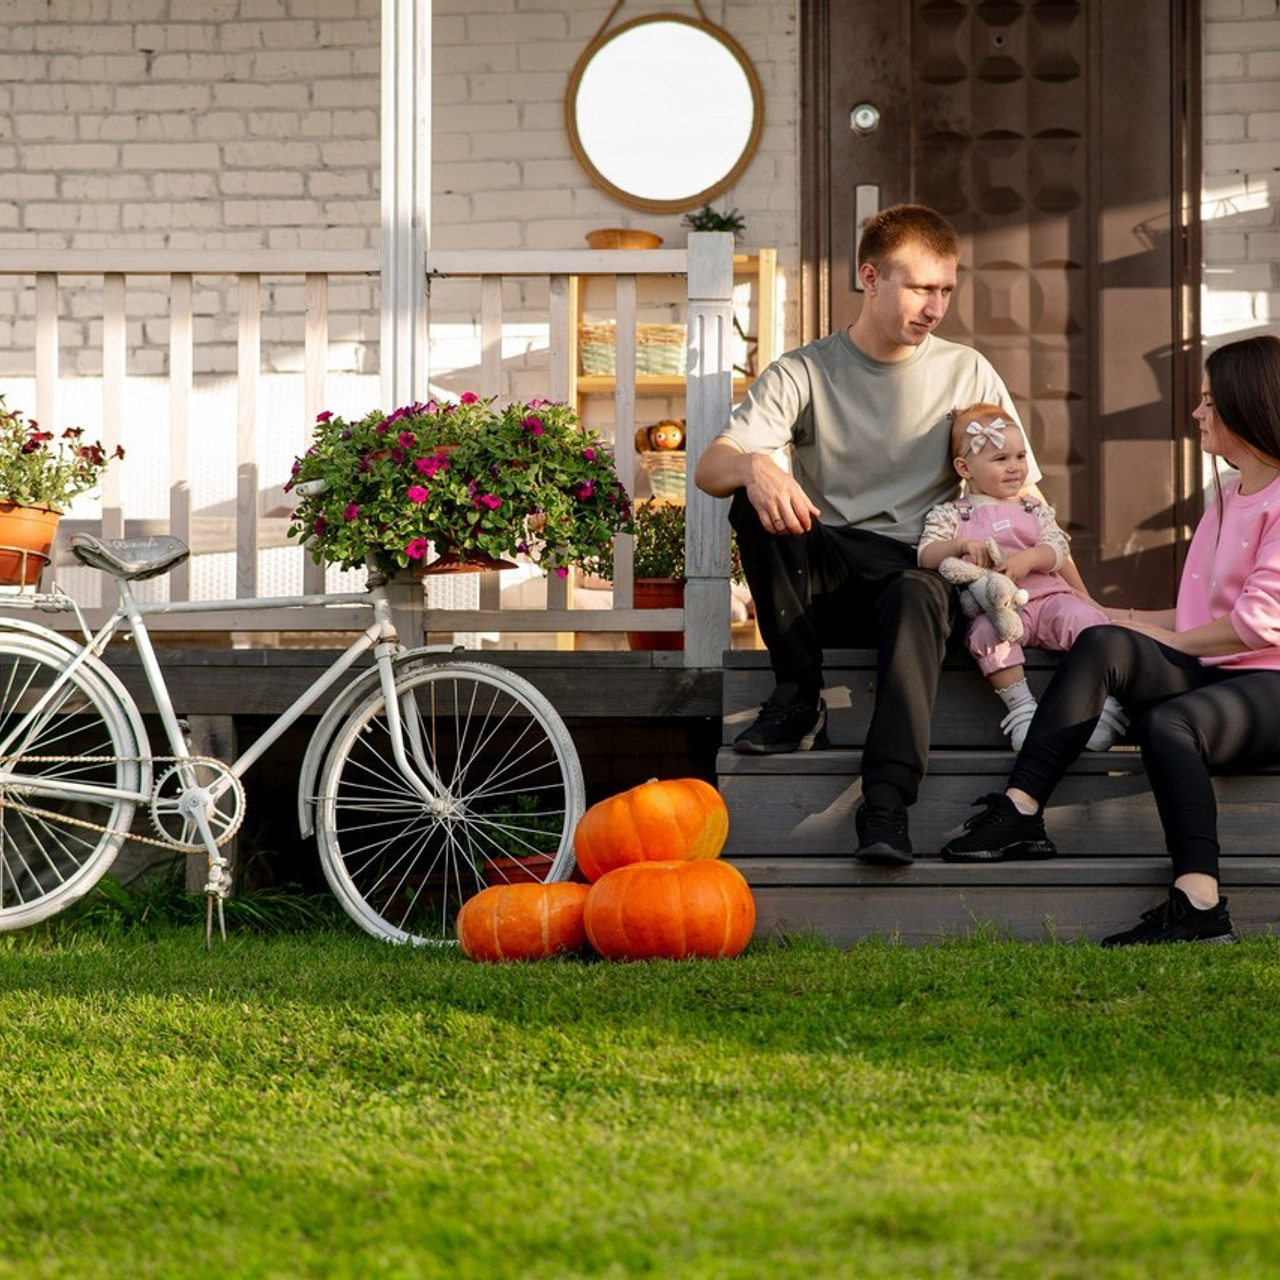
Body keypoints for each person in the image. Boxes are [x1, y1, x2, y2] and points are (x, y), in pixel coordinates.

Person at [694, 203, 1043, 867]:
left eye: (945, 290)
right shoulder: (804, 371)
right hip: (827, 573)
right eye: (918, 287)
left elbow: (1021, 496)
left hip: (920, 575)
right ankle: (797, 698)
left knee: (919, 591)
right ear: (870, 278)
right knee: (752, 493)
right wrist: (755, 466)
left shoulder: (968, 372)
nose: (933, 307)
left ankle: (886, 805)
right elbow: (712, 468)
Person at [939, 333, 1280, 946]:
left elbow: (1256, 624)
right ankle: (1020, 811)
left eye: (1209, 402)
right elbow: (1201, 612)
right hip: (1218, 665)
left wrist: (1146, 635)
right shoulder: (1229, 495)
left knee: (1168, 724)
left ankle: (1199, 905)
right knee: (1100, 640)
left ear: (1247, 407)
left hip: (1269, 683)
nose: (1198, 413)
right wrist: (1113, 614)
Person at [917, 402, 1127, 751]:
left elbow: (1058, 548)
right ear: (964, 467)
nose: (1014, 467)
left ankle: (1103, 705)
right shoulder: (953, 514)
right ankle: (1022, 709)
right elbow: (926, 554)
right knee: (983, 635)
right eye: (1000, 459)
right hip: (1000, 611)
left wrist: (1031, 558)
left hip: (1051, 600)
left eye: (1019, 456)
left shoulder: (1033, 507)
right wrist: (960, 545)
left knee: (1088, 623)